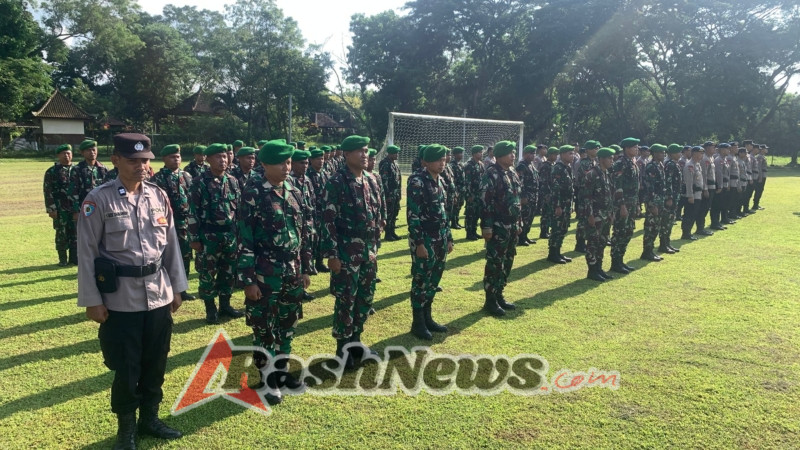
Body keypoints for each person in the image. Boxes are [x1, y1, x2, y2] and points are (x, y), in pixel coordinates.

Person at [77, 133, 186, 449]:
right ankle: (127, 429)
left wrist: (177, 288)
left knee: (156, 362)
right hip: (120, 300)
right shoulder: (97, 200)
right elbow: (86, 253)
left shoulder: (158, 196)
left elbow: (171, 246)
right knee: (126, 368)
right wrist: (92, 301)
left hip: (158, 294)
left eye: (145, 160)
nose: (142, 166)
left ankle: (150, 419)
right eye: (134, 160)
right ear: (116, 160)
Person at [238, 139, 312, 406]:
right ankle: (268, 380)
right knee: (264, 329)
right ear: (265, 164)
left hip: (292, 271)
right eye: (281, 162)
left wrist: (305, 268)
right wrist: (248, 279)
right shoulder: (253, 192)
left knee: (287, 325)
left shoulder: (293, 189)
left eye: (289, 161)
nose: (286, 167)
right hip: (265, 274)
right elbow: (244, 238)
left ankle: (281, 373)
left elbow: (302, 232)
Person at [320, 135, 383, 369]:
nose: (364, 154)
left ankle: (357, 342)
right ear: (346, 155)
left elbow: (379, 212)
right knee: (346, 301)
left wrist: (376, 243)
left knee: (365, 298)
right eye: (358, 151)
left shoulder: (372, 179)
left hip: (368, 251)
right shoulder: (336, 182)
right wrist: (332, 255)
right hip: (346, 252)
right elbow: (327, 220)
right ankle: (342, 349)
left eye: (366, 150)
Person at [188, 143, 244, 324]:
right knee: (207, 274)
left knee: (228, 272)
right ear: (209, 159)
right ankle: (210, 309)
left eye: (225, 157)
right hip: (208, 236)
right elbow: (192, 212)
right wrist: (195, 238)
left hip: (230, 235)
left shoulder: (233, 181)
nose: (223, 160)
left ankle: (225, 305)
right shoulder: (199, 182)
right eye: (218, 157)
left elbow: (239, 210)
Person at [406, 144, 453, 340]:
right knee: (421, 280)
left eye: (443, 160)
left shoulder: (440, 180)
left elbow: (444, 213)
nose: (442, 163)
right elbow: (413, 214)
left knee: (434, 279)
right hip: (425, 238)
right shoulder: (417, 181)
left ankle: (428, 317)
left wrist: (448, 237)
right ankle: (418, 322)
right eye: (438, 160)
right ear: (426, 162)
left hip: (440, 238)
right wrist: (419, 244)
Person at [479, 141, 522, 316]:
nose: (513, 155)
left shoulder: (512, 172)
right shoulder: (491, 173)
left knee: (508, 260)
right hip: (497, 226)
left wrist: (519, 223)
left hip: (512, 225)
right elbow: (485, 202)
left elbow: (516, 199)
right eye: (509, 153)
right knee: (495, 263)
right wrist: (487, 227)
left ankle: (499, 294)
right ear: (499, 156)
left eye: (513, 152)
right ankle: (490, 300)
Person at [152, 144, 196, 300]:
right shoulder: (158, 178)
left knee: (185, 255)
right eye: (172, 156)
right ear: (164, 159)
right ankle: (166, 287)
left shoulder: (187, 176)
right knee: (167, 255)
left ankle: (182, 289)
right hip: (167, 223)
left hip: (186, 223)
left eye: (178, 156)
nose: (176, 159)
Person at [581, 147, 615, 281]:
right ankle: (592, 270)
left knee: (602, 242)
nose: (612, 160)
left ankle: (599, 268)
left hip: (605, 214)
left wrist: (611, 213)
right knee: (593, 243)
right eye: (609, 158)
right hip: (595, 215)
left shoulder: (606, 174)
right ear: (601, 159)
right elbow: (586, 197)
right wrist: (590, 215)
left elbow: (610, 195)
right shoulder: (592, 174)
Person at [609, 138, 641, 274]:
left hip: (632, 202)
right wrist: (622, 206)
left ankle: (620, 260)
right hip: (623, 204)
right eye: (634, 147)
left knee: (628, 231)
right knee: (620, 232)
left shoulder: (632, 162)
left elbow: (635, 187)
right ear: (626, 148)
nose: (637, 149)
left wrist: (638, 203)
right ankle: (615, 262)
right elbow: (618, 186)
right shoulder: (620, 164)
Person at [546, 145, 575, 264]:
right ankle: (552, 253)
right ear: (562, 155)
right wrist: (557, 205)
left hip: (566, 203)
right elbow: (555, 188)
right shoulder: (558, 168)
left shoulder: (567, 167)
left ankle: (558, 251)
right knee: (557, 228)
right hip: (559, 204)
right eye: (569, 153)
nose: (572, 156)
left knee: (563, 228)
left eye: (573, 153)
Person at [640, 144, 668, 261]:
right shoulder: (651, 166)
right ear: (655, 153)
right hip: (654, 202)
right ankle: (647, 252)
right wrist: (652, 204)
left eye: (664, 152)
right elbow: (649, 188)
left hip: (660, 201)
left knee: (656, 227)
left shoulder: (660, 165)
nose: (663, 154)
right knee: (650, 227)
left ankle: (650, 251)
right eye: (661, 152)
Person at [70, 139, 109, 225]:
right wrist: (75, 210)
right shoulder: (77, 169)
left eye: (93, 149)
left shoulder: (103, 169)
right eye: (88, 150)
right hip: (84, 207)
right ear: (82, 152)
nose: (92, 152)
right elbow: (73, 191)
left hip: (101, 207)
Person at [306, 147, 330, 273]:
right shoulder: (308, 174)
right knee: (311, 238)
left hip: (324, 212)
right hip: (313, 212)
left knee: (321, 237)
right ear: (311, 160)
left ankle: (319, 262)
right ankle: (309, 264)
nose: (321, 161)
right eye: (317, 159)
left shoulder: (325, 173)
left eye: (322, 158)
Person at [574, 140, 600, 252]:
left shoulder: (594, 162)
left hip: (592, 196)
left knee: (589, 218)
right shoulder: (584, 163)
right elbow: (584, 181)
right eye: (594, 148)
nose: (596, 150)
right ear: (588, 150)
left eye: (597, 148)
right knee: (583, 220)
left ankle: (584, 241)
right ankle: (580, 244)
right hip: (585, 195)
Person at [660, 144, 683, 254]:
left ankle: (667, 243)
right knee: (666, 222)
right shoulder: (670, 164)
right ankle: (663, 245)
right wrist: (669, 197)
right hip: (670, 197)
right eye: (678, 152)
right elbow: (667, 182)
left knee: (670, 221)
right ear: (672, 153)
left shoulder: (675, 164)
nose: (680, 154)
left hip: (675, 197)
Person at [515, 145, 539, 246]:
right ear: (525, 154)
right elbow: (520, 183)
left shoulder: (531, 165)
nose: (533, 155)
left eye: (534, 153)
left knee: (530, 218)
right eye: (531, 153)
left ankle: (525, 236)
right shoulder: (522, 166)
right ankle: (521, 238)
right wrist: (523, 196)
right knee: (524, 217)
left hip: (533, 196)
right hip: (526, 197)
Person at [379, 145, 403, 241]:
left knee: (394, 213)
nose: (397, 155)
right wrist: (387, 195)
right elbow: (384, 181)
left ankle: (392, 232)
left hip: (395, 193)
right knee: (389, 214)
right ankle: (388, 234)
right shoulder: (385, 164)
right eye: (395, 153)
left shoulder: (394, 164)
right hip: (390, 194)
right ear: (390, 154)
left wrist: (399, 193)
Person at [681, 146, 705, 240]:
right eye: (700, 153)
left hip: (698, 194)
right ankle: (686, 233)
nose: (702, 155)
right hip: (692, 194)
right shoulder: (690, 165)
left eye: (703, 153)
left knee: (694, 213)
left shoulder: (697, 164)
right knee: (689, 214)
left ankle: (688, 232)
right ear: (694, 154)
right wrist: (690, 196)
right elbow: (689, 182)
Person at [463, 145, 486, 240]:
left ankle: (474, 231)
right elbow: (467, 181)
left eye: (481, 152)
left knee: (476, 214)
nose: (481, 154)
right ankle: (469, 233)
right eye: (479, 152)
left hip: (479, 194)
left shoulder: (481, 164)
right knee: (470, 214)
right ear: (474, 154)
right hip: (472, 194)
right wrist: (469, 195)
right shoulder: (469, 165)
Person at [538, 147, 558, 239]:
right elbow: (544, 181)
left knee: (550, 213)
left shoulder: (553, 165)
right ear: (550, 155)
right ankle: (543, 232)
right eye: (554, 154)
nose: (556, 156)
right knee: (546, 213)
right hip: (546, 193)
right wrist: (546, 194)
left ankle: (546, 231)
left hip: (552, 193)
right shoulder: (545, 165)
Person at [753, 144, 767, 210]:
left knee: (760, 190)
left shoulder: (762, 156)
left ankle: (757, 204)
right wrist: (760, 177)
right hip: (760, 176)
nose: (766, 150)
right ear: (762, 149)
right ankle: (755, 204)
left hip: (763, 175)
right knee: (758, 190)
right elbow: (759, 167)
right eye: (765, 148)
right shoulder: (759, 157)